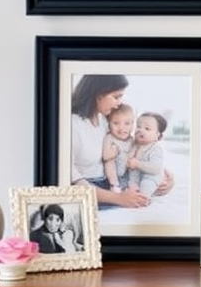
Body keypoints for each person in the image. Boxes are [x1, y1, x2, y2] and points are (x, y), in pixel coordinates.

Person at [70, 74, 173, 210]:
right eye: (116, 97)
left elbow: (130, 147)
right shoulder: (72, 125)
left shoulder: (105, 120)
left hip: (112, 183)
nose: (120, 103)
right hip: (93, 190)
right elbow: (71, 178)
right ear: (98, 93)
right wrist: (118, 198)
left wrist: (163, 175)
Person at [125, 111, 168, 199]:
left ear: (157, 135)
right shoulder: (133, 144)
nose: (140, 130)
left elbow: (155, 168)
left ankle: (144, 197)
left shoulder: (155, 149)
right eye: (138, 126)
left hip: (151, 176)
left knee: (146, 186)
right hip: (135, 176)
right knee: (128, 184)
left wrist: (137, 164)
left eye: (147, 128)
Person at [102, 103, 138, 193]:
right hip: (113, 175)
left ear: (133, 124)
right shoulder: (109, 137)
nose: (122, 128)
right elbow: (105, 156)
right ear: (108, 124)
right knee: (109, 161)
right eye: (116, 123)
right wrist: (113, 152)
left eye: (127, 123)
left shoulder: (132, 140)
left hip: (127, 173)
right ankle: (114, 185)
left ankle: (131, 186)